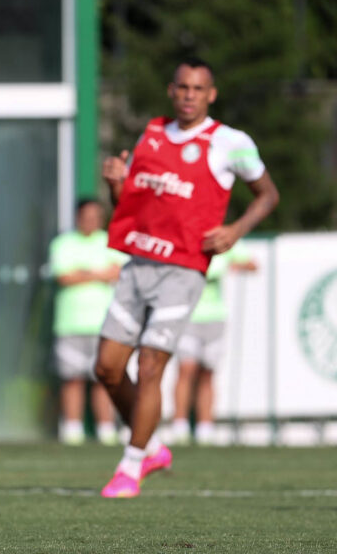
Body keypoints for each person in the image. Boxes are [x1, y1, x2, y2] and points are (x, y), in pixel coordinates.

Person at [96, 57, 278, 498]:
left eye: (198, 88)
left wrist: (235, 230)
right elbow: (130, 205)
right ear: (171, 90)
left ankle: (131, 465)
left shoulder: (231, 142)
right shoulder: (152, 133)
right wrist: (116, 183)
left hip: (184, 268)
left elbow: (268, 194)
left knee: (150, 365)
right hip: (139, 263)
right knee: (107, 368)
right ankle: (151, 446)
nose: (189, 95)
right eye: (183, 87)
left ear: (211, 94)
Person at [49, 199, 125, 446]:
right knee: (72, 378)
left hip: (104, 325)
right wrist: (99, 273)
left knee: (103, 379)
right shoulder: (63, 243)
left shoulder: (111, 241)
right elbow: (64, 276)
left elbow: (117, 272)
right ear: (77, 217)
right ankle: (73, 429)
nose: (90, 221)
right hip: (70, 323)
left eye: (95, 216)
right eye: (86, 216)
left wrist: (83, 272)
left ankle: (106, 429)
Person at [170, 242, 257, 446]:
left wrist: (236, 266)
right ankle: (180, 425)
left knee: (207, 372)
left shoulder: (219, 240)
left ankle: (205, 427)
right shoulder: (186, 240)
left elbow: (252, 264)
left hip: (215, 317)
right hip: (187, 316)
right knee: (186, 368)